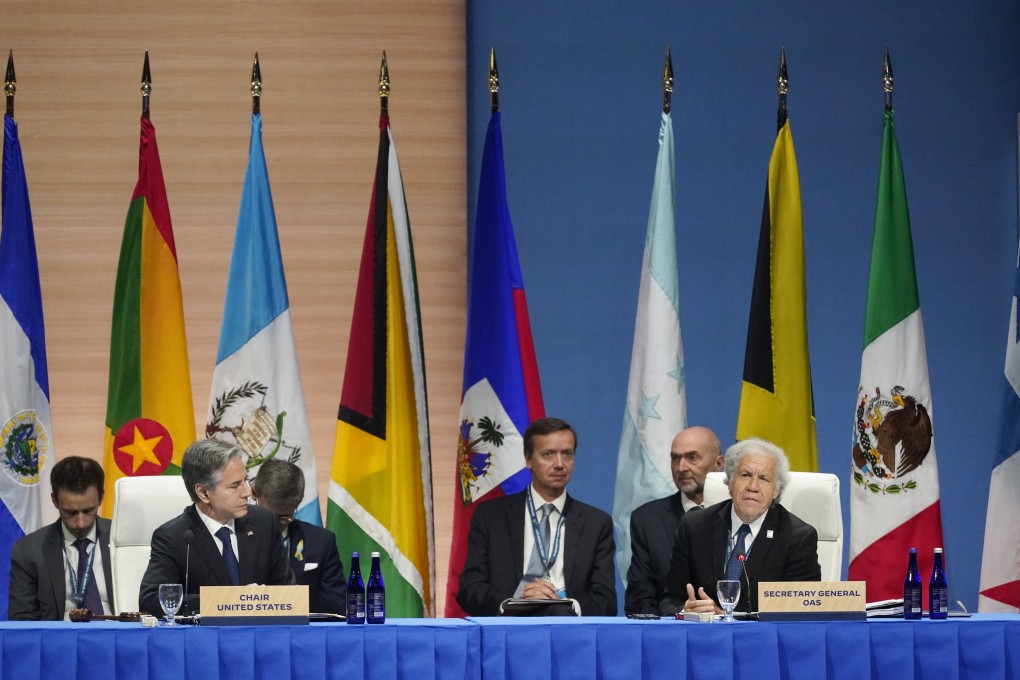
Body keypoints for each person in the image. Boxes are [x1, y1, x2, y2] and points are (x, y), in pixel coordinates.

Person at [457, 417, 616, 616]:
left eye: (567, 454)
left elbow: (606, 600)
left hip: (567, 627)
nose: (560, 464)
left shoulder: (596, 523)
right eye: (548, 454)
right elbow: (470, 588)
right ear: (528, 460)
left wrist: (564, 604)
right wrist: (514, 603)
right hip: (509, 626)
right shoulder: (491, 517)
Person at [663, 437, 820, 615]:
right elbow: (670, 600)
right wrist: (687, 610)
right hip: (705, 638)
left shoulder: (797, 537)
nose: (753, 487)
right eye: (745, 475)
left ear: (776, 491)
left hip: (763, 640)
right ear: (730, 482)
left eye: (764, 479)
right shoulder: (694, 527)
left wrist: (724, 617)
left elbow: (799, 611)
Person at [138, 438, 294, 617]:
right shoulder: (174, 537)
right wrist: (232, 599)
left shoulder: (263, 522)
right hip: (205, 641)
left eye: (245, 480)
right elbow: (151, 600)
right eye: (235, 485)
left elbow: (288, 591)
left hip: (259, 637)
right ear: (203, 493)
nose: (248, 492)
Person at [625, 426, 724, 615]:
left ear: (719, 464)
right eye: (675, 458)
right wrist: (677, 617)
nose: (681, 467)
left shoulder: (738, 514)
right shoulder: (647, 519)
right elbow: (639, 597)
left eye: (692, 458)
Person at [8, 456, 114, 620]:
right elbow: (23, 620)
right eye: (70, 513)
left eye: (88, 511)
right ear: (55, 501)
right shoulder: (28, 551)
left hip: (117, 637)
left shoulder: (123, 541)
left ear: (101, 497)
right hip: (59, 641)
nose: (80, 523)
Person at [252, 458, 347, 614]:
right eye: (270, 515)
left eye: (285, 517)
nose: (275, 524)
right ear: (254, 493)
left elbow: (340, 603)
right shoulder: (232, 537)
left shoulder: (321, 542)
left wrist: (294, 597)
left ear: (299, 501)